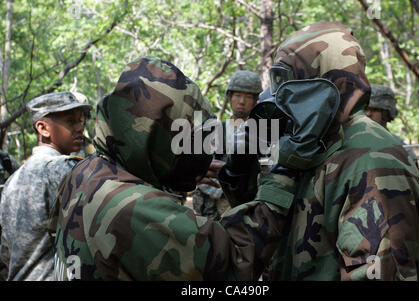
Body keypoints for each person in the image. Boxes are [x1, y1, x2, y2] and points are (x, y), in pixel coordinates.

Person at [48, 56, 297, 280]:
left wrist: (175, 172)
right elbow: (235, 261)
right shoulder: (138, 211)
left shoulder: (82, 172)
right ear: (158, 138)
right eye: (184, 138)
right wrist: (281, 181)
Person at [237, 21, 419, 280]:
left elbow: (377, 271)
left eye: (289, 81)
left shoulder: (373, 158)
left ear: (325, 83)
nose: (278, 95)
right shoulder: (306, 145)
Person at [0, 92, 92, 281]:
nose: (80, 128)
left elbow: (5, 254)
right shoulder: (63, 168)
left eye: (81, 121)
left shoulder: (12, 181)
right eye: (70, 121)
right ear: (43, 128)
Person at [192, 70, 262, 220]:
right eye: (237, 95)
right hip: (212, 205)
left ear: (256, 100)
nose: (242, 101)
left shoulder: (264, 134)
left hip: (248, 206)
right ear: (229, 97)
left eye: (248, 97)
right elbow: (201, 166)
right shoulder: (217, 131)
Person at [366, 84, 419, 170]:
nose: (368, 114)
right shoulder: (346, 142)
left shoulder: (401, 149)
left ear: (386, 114)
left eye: (374, 109)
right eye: (365, 109)